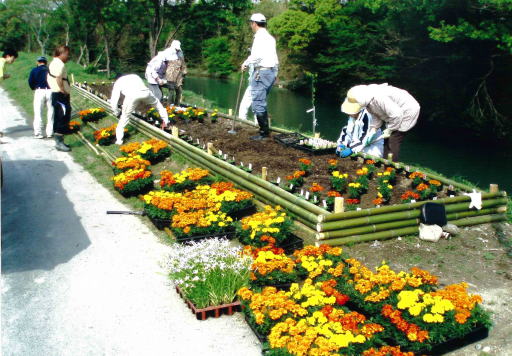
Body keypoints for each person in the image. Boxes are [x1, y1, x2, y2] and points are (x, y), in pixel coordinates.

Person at [341, 83, 420, 161]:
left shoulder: (379, 98)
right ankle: (385, 161)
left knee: (393, 140)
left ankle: (390, 167)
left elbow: (397, 115)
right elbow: (376, 116)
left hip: (407, 111)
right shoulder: (368, 102)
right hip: (395, 113)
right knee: (386, 140)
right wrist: (372, 131)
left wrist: (390, 129)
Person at [241, 13, 279, 140]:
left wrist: (245, 63)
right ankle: (265, 130)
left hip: (261, 72)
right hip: (271, 71)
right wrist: (276, 74)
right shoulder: (270, 38)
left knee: (257, 103)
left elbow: (257, 56)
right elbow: (275, 59)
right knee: (261, 101)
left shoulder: (259, 38)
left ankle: (264, 133)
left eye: (251, 23)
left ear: (254, 23)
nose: (251, 25)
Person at [110, 74, 170, 145]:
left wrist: (116, 112)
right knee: (158, 105)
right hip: (146, 92)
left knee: (124, 117)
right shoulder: (134, 76)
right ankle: (166, 121)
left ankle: (119, 141)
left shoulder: (117, 83)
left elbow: (114, 101)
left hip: (132, 96)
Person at [47, 45, 72, 152]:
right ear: (61, 53)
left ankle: (60, 140)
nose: (68, 56)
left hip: (58, 94)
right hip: (59, 94)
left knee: (61, 115)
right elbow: (58, 78)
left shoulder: (55, 62)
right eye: (67, 54)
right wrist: (63, 90)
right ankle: (59, 142)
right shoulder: (58, 64)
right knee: (62, 115)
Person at [28, 56, 54, 139]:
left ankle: (38, 133)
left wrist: (34, 88)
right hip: (50, 90)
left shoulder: (34, 70)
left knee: (38, 112)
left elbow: (30, 81)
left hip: (39, 91)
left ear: (38, 62)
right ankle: (50, 132)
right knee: (51, 112)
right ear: (46, 63)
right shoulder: (49, 70)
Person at [163, 40, 187, 106]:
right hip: (170, 74)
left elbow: (183, 63)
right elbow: (163, 63)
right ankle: (169, 106)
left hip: (178, 75)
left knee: (179, 91)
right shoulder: (167, 52)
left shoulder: (180, 53)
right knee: (171, 89)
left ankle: (177, 105)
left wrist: (184, 71)